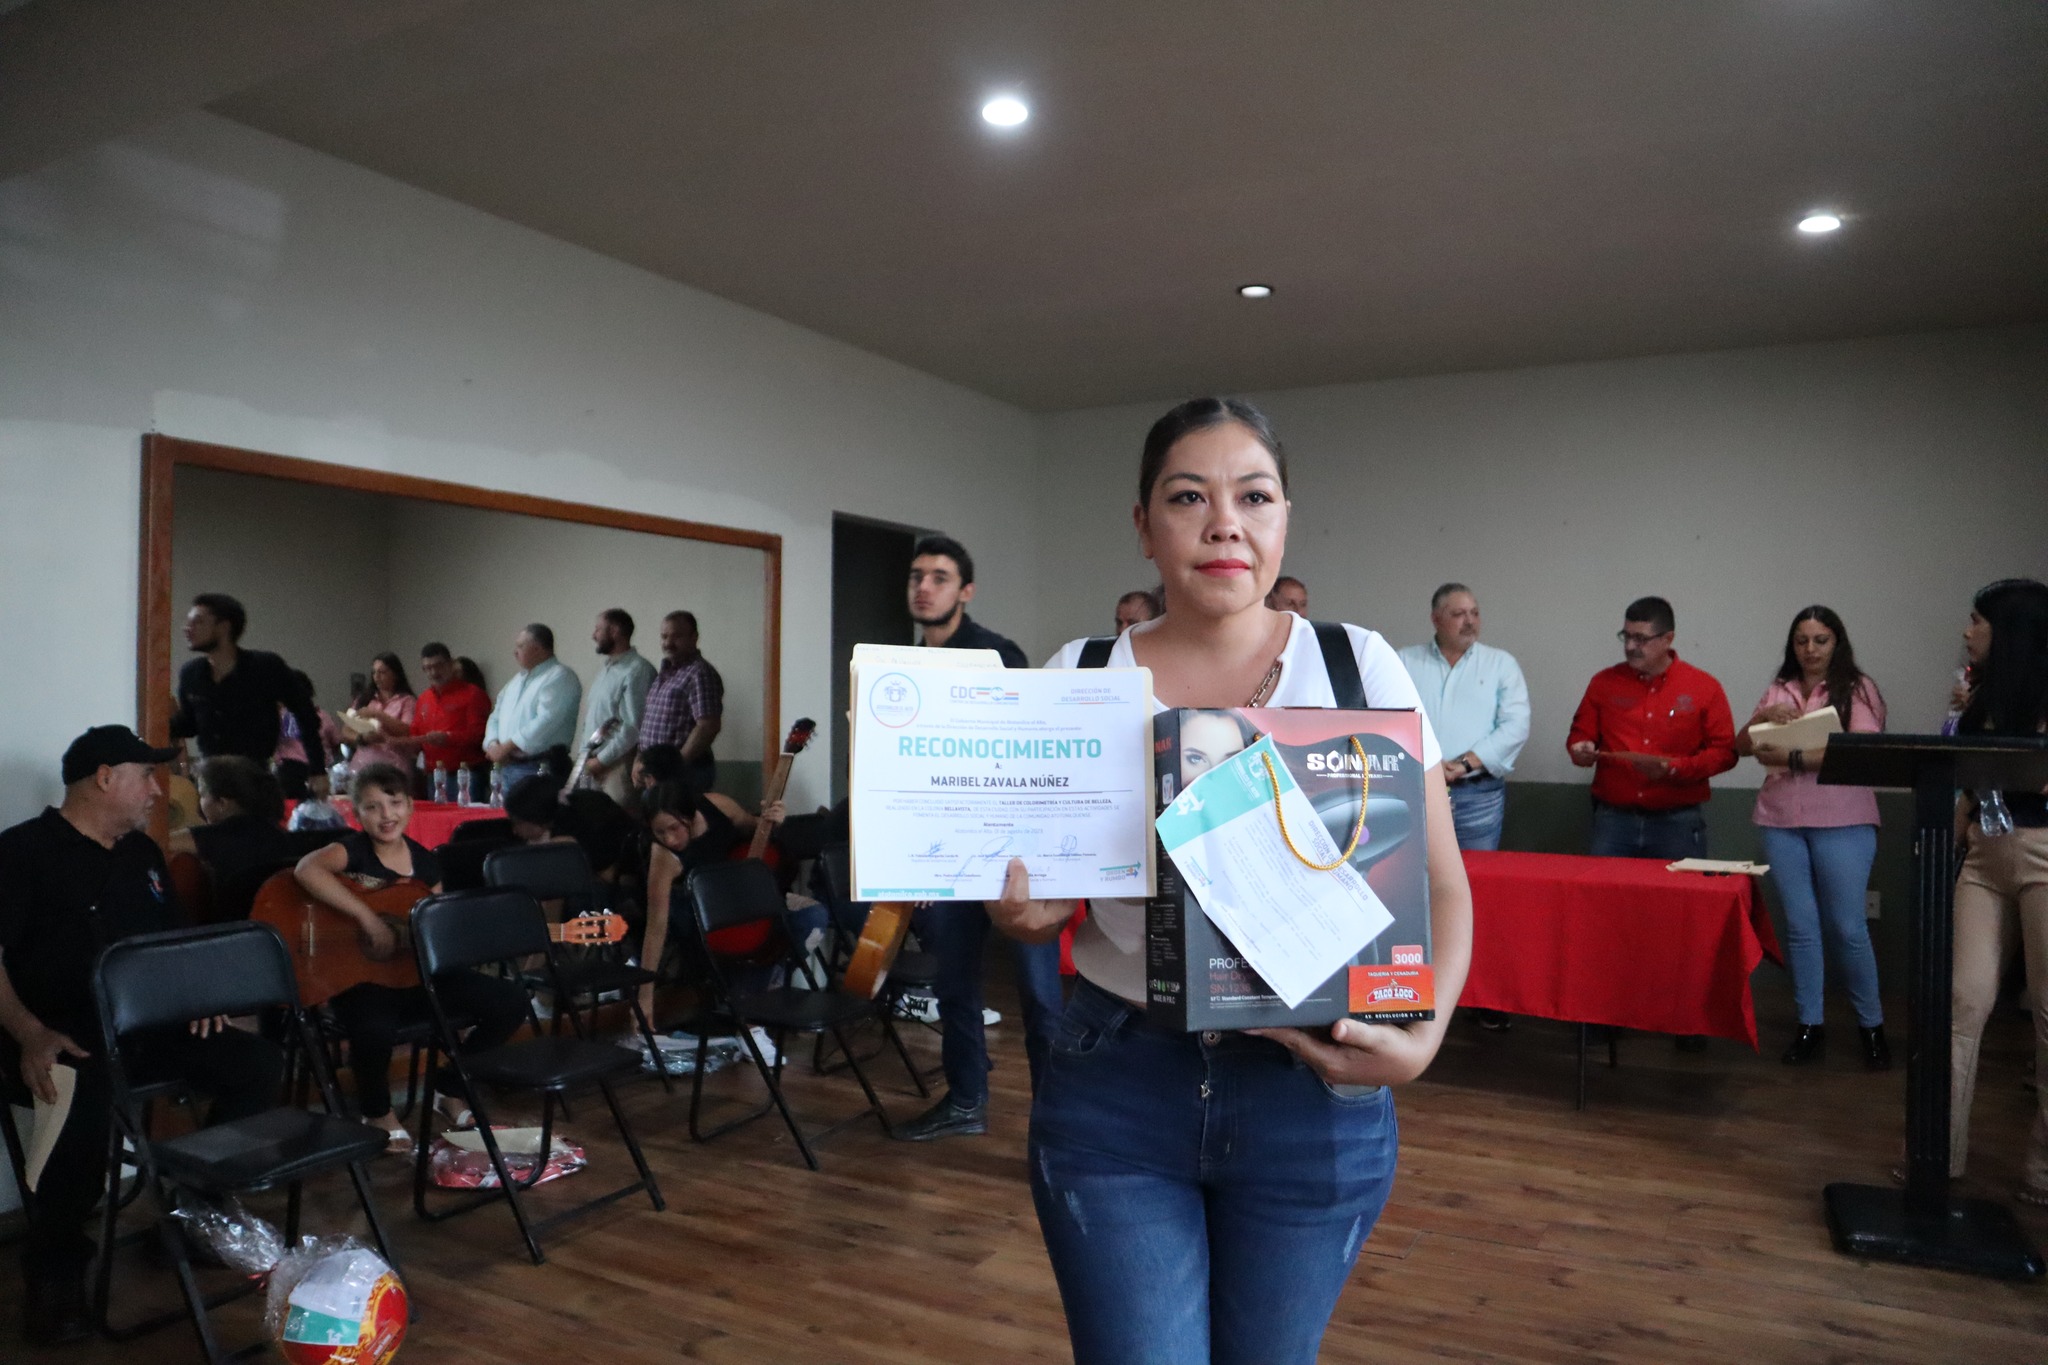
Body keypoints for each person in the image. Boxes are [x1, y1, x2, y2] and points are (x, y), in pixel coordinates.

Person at [982, 398, 1469, 1365]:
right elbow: (1045, 906)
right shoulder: (1080, 673)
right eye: (1187, 497)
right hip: (1117, 1081)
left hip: (1312, 1085)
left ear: (1284, 516)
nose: (1223, 524)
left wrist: (1423, 1044)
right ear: (1143, 524)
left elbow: (1443, 879)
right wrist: (1024, 916)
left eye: (1253, 496)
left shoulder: (1356, 664)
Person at [0, 726, 284, 1345]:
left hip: (146, 1027)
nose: (158, 791)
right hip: (61, 1033)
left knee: (257, 1064)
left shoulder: (143, 855)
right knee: (82, 1097)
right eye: (146, 777)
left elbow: (171, 944)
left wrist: (198, 997)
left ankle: (192, 1217)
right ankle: (55, 1274)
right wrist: (29, 1033)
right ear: (105, 778)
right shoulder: (21, 852)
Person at [892, 533, 1067, 1144]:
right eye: (917, 576)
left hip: (1012, 849)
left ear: (965, 591)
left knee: (1039, 994)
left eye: (939, 577)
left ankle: (1056, 1120)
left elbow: (1025, 744)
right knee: (953, 984)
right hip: (945, 854)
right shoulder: (900, 668)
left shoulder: (997, 655)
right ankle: (966, 1099)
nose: (924, 587)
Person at [293, 765, 530, 1148]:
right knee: (374, 1027)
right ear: (356, 813)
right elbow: (307, 870)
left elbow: (437, 927)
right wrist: (368, 918)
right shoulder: (351, 851)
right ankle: (376, 1110)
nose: (386, 815)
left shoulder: (426, 864)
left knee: (510, 1000)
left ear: (410, 807)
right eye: (372, 807)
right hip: (358, 976)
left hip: (414, 973)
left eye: (394, 803)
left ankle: (449, 1087)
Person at [1734, 607, 1889, 1068]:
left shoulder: (1857, 688)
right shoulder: (1779, 687)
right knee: (1801, 928)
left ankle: (1872, 1027)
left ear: (1836, 643)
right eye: (1802, 640)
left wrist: (1794, 757)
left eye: (1820, 640)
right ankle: (1809, 1025)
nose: (1810, 649)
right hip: (1781, 818)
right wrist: (1763, 716)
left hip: (1843, 818)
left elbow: (1862, 750)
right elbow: (1742, 745)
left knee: (1848, 927)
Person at [1946, 578, 2048, 1204]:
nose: (1967, 632)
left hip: (2043, 853)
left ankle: (2043, 1171)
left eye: (1977, 621)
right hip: (1985, 851)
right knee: (1963, 1001)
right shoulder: (1982, 694)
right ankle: (1937, 1151)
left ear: (2009, 633)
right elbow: (1968, 773)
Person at [1566, 596, 1737, 860]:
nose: (1630, 646)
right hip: (1614, 820)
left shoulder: (1704, 687)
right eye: (1626, 636)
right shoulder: (1604, 683)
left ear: (1668, 639)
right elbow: (1580, 734)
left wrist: (1675, 768)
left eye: (1641, 639)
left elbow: (1725, 753)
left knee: (1679, 889)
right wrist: (1581, 748)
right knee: (1605, 887)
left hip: (1677, 821)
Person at [1398, 583, 1530, 852]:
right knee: (1415, 869)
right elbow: (1388, 720)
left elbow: (1515, 726)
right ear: (1436, 619)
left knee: (1477, 872)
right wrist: (1426, 763)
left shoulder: (1501, 664)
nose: (1469, 621)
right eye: (1459, 614)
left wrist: (1465, 763)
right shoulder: (1404, 662)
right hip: (1416, 789)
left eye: (1475, 613)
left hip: (1478, 795)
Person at [171, 592, 329, 794]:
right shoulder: (191, 673)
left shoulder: (265, 667)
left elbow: (305, 715)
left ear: (224, 627)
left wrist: (317, 770)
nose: (188, 628)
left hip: (253, 776)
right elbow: (189, 724)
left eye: (198, 622)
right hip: (211, 776)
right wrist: (157, 725)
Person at [167, 754, 296, 890]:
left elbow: (162, 843)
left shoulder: (219, 835)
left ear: (222, 803)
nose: (199, 802)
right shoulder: (274, 831)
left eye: (202, 795)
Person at [481, 623, 582, 790]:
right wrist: (493, 745)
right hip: (507, 766)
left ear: (537, 649)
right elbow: (495, 716)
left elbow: (547, 720)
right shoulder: (516, 681)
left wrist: (506, 748)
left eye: (520, 646)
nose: (515, 652)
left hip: (539, 767)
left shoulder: (560, 676)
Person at [577, 608, 657, 802]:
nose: (593, 635)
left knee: (618, 818)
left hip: (618, 765)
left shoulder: (637, 670)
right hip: (592, 763)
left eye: (598, 629)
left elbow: (633, 726)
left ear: (614, 631)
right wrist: (585, 757)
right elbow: (594, 720)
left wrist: (601, 761)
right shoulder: (606, 670)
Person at [641, 611, 724, 793]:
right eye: (664, 637)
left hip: (685, 772)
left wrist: (675, 767)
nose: (668, 643)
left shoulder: (699, 673)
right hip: (657, 772)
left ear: (694, 637)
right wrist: (640, 761)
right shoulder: (665, 674)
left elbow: (708, 726)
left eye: (676, 636)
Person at [405, 642, 493, 800]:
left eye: (438, 666)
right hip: (435, 776)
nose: (434, 672)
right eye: (428, 668)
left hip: (465, 774)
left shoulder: (473, 694)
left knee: (468, 816)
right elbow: (415, 732)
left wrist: (448, 738)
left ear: (451, 664)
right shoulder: (424, 698)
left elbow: (479, 735)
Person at [343, 652, 417, 774]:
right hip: (362, 767)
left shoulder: (407, 701)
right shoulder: (364, 699)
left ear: (395, 674)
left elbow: (407, 731)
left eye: (382, 672)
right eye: (374, 672)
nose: (376, 677)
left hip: (394, 768)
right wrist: (362, 738)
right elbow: (346, 731)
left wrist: (377, 715)